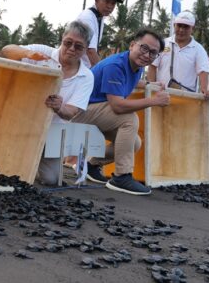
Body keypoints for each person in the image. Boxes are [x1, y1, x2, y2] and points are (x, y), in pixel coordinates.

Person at [72, 29, 170, 195]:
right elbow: (117, 106)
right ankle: (122, 176)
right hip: (76, 114)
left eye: (153, 53)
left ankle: (91, 165)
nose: (147, 55)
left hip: (95, 113)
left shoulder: (135, 65)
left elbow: (127, 81)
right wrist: (154, 101)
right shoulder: (115, 65)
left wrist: (150, 84)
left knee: (135, 143)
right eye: (144, 48)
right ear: (132, 45)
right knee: (129, 119)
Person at [0, 21, 94, 185]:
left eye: (78, 46)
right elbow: (7, 50)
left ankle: (34, 163)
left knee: (51, 179)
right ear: (62, 39)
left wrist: (60, 107)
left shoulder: (86, 76)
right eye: (68, 43)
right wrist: (28, 55)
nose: (71, 49)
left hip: (52, 131)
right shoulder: (42, 52)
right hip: (21, 120)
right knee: (8, 168)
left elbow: (71, 112)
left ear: (85, 49)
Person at [148, 10, 209, 98]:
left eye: (186, 27)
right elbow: (152, 66)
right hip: (161, 94)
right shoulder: (163, 43)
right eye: (179, 25)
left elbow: (203, 71)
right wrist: (152, 88)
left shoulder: (198, 49)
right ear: (174, 25)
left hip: (185, 98)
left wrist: (204, 88)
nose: (181, 30)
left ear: (193, 28)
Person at [76, 0, 123, 68]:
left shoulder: (99, 17)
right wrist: (102, 71)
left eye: (113, 3)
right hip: (74, 68)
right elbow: (90, 51)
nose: (110, 6)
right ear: (97, 0)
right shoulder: (88, 17)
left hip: (82, 68)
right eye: (106, 1)